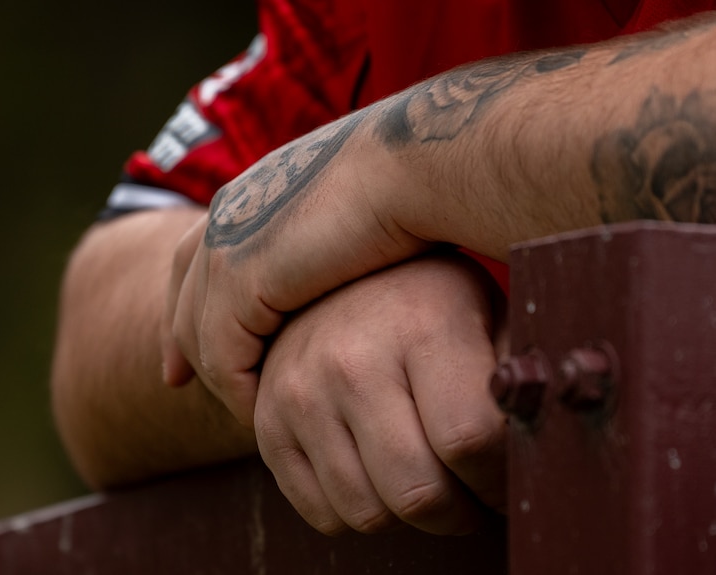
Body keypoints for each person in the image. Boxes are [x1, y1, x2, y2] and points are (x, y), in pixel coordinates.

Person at [52, 0, 716, 537]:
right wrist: (311, 314)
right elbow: (100, 311)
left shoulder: (384, 161)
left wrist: (404, 161)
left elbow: (368, 172)